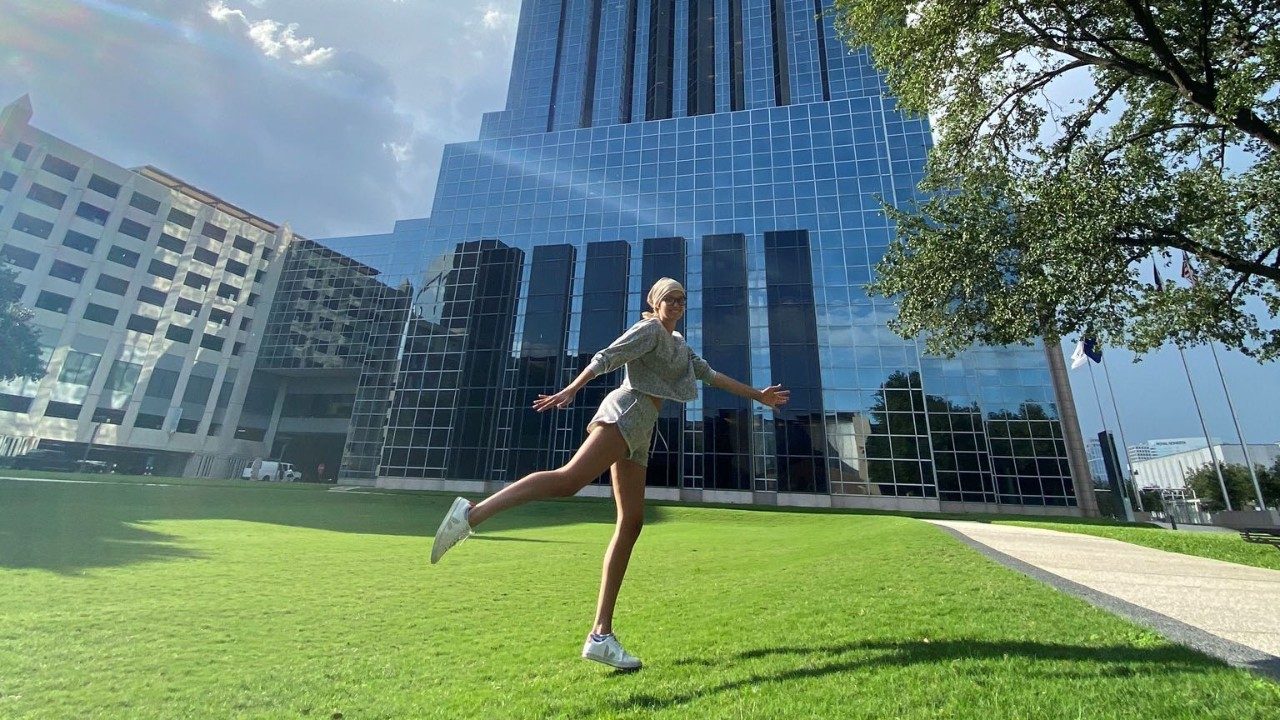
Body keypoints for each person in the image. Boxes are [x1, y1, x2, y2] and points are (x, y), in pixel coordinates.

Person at [430, 277, 789, 670]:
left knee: (632, 522)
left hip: (642, 427)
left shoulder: (680, 345)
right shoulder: (649, 329)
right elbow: (606, 357)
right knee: (568, 480)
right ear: (655, 302)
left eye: (682, 299)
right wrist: (571, 390)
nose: (677, 303)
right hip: (627, 411)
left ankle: (601, 636)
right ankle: (471, 514)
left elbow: (712, 376)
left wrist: (760, 397)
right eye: (670, 297)